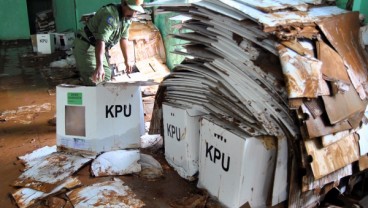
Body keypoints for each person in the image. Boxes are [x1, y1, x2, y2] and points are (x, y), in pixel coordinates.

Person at [74, 0, 144, 86]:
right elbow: (101, 40)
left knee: (106, 77)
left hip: (97, 47)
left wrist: (127, 61)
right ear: (123, 4)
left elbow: (124, 39)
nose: (133, 14)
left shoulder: (127, 18)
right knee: (96, 80)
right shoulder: (111, 15)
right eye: (131, 9)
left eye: (136, 11)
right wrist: (99, 66)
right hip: (86, 45)